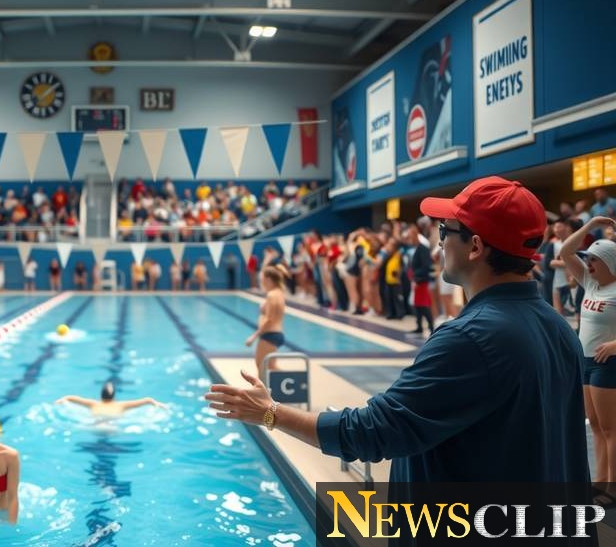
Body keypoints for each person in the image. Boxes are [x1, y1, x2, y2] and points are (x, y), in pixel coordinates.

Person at [205, 177, 589, 490]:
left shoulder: (471, 338)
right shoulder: (559, 329)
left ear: (474, 247)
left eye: (444, 230)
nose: (438, 242)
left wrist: (270, 413)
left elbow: (373, 432)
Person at [559, 219, 616, 482]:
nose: (588, 265)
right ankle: (601, 479)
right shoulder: (590, 283)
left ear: (609, 262)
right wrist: (590, 225)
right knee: (594, 425)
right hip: (585, 361)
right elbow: (565, 252)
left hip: (608, 363)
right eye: (588, 260)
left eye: (594, 260)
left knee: (610, 428)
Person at [245, 265, 288, 376]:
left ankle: (294, 382)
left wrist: (253, 336)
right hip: (276, 333)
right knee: (270, 366)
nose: (261, 282)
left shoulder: (272, 295)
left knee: (261, 367)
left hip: (269, 334)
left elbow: (269, 319)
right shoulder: (279, 292)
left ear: (268, 279)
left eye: (262, 279)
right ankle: (291, 383)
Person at [56, 381, 167, 416]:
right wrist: (156, 403)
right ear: (114, 396)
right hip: (112, 428)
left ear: (100, 395)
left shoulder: (93, 404)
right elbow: (147, 400)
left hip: (93, 425)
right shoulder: (121, 405)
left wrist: (62, 399)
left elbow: (72, 398)